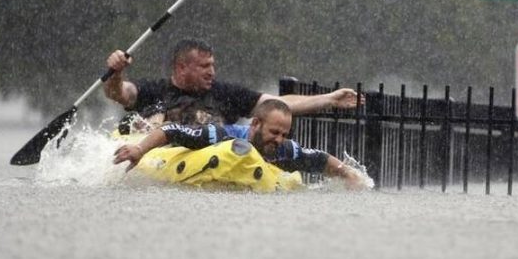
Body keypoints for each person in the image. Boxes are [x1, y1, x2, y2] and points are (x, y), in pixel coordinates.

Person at [113, 99, 368, 190]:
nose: (279, 139)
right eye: (274, 132)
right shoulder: (221, 134)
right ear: (256, 123)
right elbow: (170, 130)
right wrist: (139, 150)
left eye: (284, 134)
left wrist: (349, 174)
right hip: (180, 158)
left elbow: (320, 159)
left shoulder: (283, 149)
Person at [104, 38, 361, 126]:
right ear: (181, 67)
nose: (212, 72)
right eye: (204, 66)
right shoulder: (153, 90)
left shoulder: (226, 94)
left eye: (213, 65)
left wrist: (329, 99)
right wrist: (116, 71)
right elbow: (119, 93)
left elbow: (278, 104)